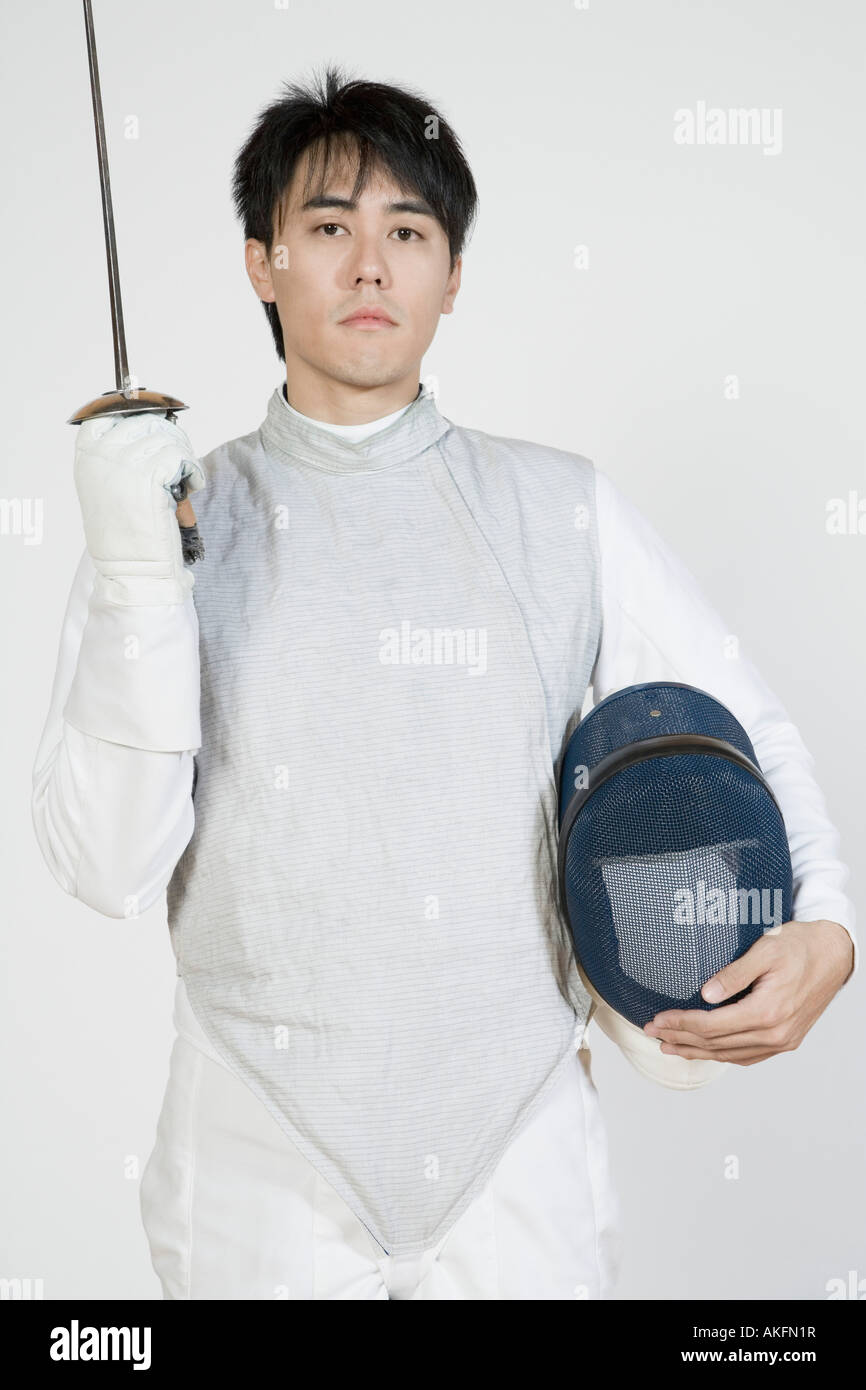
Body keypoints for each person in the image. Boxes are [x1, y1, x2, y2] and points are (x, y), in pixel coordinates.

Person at [32, 66, 857, 1301]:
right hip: (255, 1161)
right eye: (328, 228)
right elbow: (104, 864)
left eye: (406, 233)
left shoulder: (561, 508)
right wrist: (136, 579)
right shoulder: (175, 522)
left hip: (517, 1153)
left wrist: (827, 930)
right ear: (261, 261)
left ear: (451, 275)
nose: (370, 267)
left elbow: (745, 730)